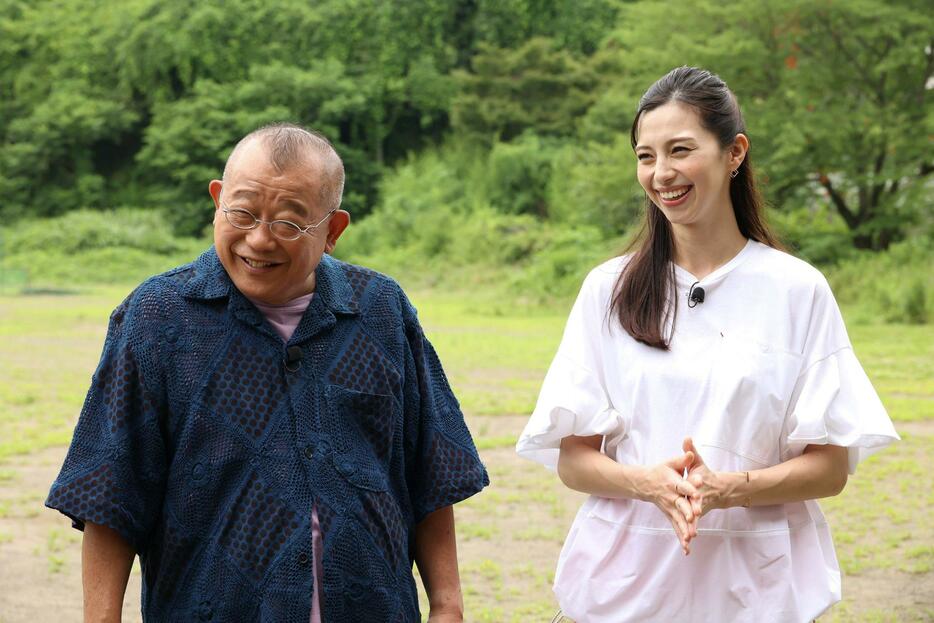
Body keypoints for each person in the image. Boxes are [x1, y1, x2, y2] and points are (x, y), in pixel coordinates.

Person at [46, 123, 489, 622]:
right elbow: (111, 491)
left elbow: (427, 467)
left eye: (289, 223)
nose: (259, 238)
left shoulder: (381, 310)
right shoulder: (157, 318)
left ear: (333, 231)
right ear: (217, 200)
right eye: (242, 212)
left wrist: (448, 606)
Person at [516, 67, 899, 622]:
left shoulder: (797, 290)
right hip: (623, 591)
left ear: (734, 152)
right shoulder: (608, 288)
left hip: (756, 595)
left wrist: (731, 488)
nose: (661, 173)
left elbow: (830, 469)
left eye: (680, 150)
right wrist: (646, 483)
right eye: (646, 156)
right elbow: (574, 460)